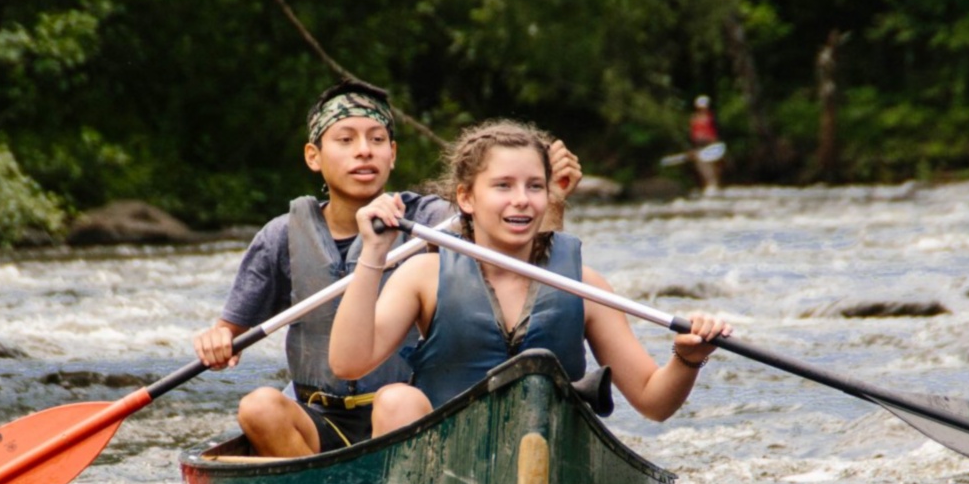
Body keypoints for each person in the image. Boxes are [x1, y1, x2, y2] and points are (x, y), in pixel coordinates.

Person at [196, 82, 580, 456]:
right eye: (345, 140)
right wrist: (217, 340)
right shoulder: (281, 235)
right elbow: (228, 334)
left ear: (393, 154)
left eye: (377, 140)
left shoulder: (431, 218)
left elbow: (514, 252)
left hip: (408, 411)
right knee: (258, 406)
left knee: (396, 404)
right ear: (313, 156)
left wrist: (551, 199)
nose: (364, 152)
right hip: (318, 419)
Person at [328, 119, 729, 438]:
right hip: (447, 467)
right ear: (466, 198)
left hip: (551, 455)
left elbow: (652, 402)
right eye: (503, 186)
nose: (521, 199)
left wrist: (687, 359)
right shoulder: (423, 274)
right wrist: (374, 254)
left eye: (534, 186)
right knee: (396, 399)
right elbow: (348, 363)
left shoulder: (585, 286)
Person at [688, 94, 727, 192]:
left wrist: (715, 141)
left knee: (714, 164)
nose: (703, 109)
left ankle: (715, 184)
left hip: (711, 143)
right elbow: (692, 134)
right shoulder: (694, 118)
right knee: (702, 165)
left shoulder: (712, 117)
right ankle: (708, 184)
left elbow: (716, 131)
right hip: (699, 144)